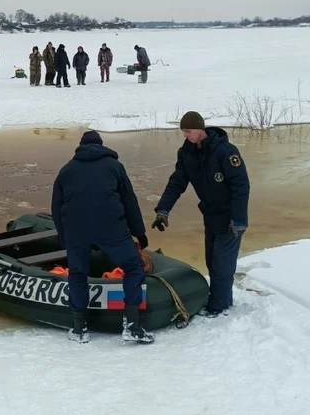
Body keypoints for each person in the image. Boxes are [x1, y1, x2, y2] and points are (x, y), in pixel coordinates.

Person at [51, 130, 154, 344]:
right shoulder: (115, 167)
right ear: (101, 145)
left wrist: (64, 237)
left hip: (76, 229)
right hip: (111, 228)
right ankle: (132, 325)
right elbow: (129, 202)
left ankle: (80, 329)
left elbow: (57, 207)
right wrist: (139, 233)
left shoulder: (66, 170)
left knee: (78, 273)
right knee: (134, 267)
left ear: (80, 147)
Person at [151, 112, 250, 317]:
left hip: (230, 219)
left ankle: (220, 307)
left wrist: (239, 220)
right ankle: (218, 300)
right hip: (210, 215)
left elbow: (241, 185)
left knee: (222, 265)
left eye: (189, 131)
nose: (186, 135)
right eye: (183, 131)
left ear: (200, 129)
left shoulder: (225, 151)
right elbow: (177, 182)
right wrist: (163, 210)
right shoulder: (187, 153)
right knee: (212, 261)